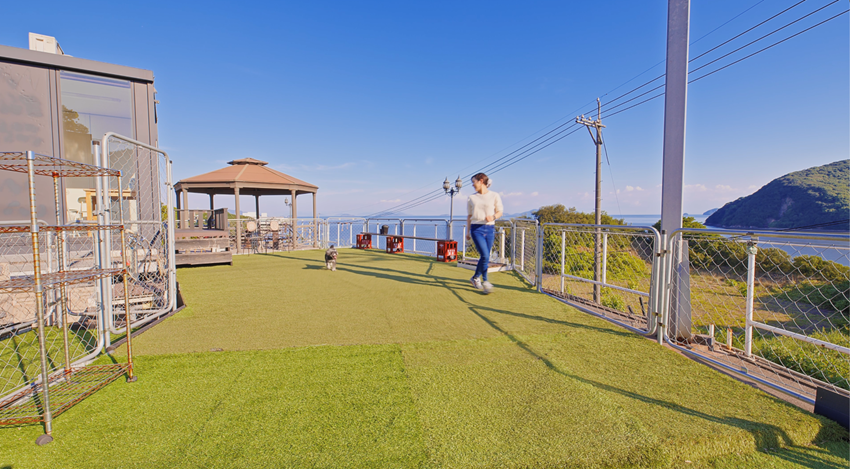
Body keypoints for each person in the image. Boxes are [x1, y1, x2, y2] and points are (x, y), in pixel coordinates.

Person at [466, 172, 503, 294]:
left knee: (485, 257)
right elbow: (469, 216)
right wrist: (468, 231)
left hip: (490, 229)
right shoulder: (471, 198)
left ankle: (475, 277)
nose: (472, 185)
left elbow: (500, 211)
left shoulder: (494, 195)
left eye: (474, 182)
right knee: (486, 256)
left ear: (481, 181)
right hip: (476, 229)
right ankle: (485, 281)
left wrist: (493, 217)